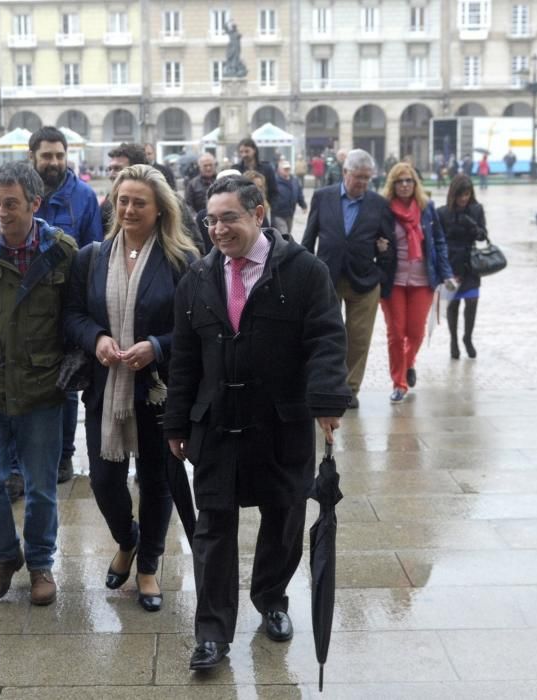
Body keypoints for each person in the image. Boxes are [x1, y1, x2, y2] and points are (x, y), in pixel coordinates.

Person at [165, 175, 350, 671]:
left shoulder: (305, 272)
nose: (218, 229)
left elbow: (327, 339)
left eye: (229, 217)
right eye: (211, 219)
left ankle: (271, 599)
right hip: (217, 424)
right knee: (213, 528)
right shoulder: (197, 279)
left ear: (258, 214)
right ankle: (211, 632)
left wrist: (328, 400)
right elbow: (184, 359)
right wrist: (176, 423)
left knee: (285, 518)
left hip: (281, 423)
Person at [63, 164, 199, 613]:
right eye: (122, 200)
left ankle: (148, 566)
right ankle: (128, 539)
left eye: (139, 202)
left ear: (161, 209)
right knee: (104, 482)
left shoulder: (182, 261)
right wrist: (97, 339)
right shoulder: (92, 256)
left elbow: (198, 328)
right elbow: (74, 318)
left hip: (159, 391)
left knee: (158, 483)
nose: (128, 209)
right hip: (107, 391)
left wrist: (157, 346)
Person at [0, 161, 77, 606]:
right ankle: (4, 557)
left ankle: (40, 562)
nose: (2, 213)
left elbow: (74, 316)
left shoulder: (63, 250)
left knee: (42, 486)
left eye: (11, 204)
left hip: (42, 391)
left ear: (34, 204)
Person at [22, 126, 102, 488]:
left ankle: (64, 455)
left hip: (67, 304)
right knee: (24, 380)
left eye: (59, 155)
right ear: (33, 158)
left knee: (67, 384)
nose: (53, 162)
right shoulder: (20, 192)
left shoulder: (83, 196)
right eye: (46, 156)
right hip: (27, 306)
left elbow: (94, 250)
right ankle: (21, 456)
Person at [302, 149, 395, 409]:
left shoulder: (378, 204)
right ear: (345, 172)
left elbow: (389, 245)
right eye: (359, 177)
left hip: (365, 281)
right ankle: (324, 384)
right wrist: (303, 274)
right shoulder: (322, 197)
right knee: (327, 335)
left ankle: (349, 389)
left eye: (368, 178)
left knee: (358, 338)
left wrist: (383, 277)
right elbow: (309, 239)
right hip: (327, 278)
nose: (363, 183)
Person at [379, 163, 456, 403]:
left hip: (423, 279)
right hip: (394, 280)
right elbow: (372, 237)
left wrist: (446, 273)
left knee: (415, 332)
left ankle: (408, 361)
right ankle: (399, 383)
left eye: (408, 181)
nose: (404, 185)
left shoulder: (427, 208)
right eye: (399, 181)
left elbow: (439, 242)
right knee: (396, 332)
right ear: (392, 185)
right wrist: (379, 248)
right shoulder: (383, 209)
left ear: (415, 183)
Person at [438, 175, 487, 360]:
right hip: (450, 265)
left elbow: (483, 236)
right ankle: (453, 340)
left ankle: (467, 337)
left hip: (469, 264)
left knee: (472, 302)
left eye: (467, 194)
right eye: (460, 195)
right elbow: (437, 239)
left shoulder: (476, 209)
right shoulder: (442, 212)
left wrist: (474, 227)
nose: (464, 199)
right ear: (453, 194)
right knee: (453, 304)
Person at [101, 142, 150, 231]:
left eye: (117, 169)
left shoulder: (164, 201)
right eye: (109, 169)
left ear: (136, 170)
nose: (111, 175)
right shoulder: (108, 202)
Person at [235, 138, 278, 210]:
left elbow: (273, 191)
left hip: (263, 209)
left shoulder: (267, 168)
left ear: (254, 150)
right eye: (241, 152)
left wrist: (271, 208)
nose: (244, 155)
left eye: (247, 151)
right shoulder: (236, 169)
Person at [271, 160, 308, 234]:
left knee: (288, 234)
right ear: (279, 170)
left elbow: (299, 194)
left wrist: (303, 205)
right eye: (285, 169)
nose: (287, 170)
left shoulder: (295, 180)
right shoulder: (274, 181)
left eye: (288, 168)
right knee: (284, 234)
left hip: (290, 213)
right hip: (278, 214)